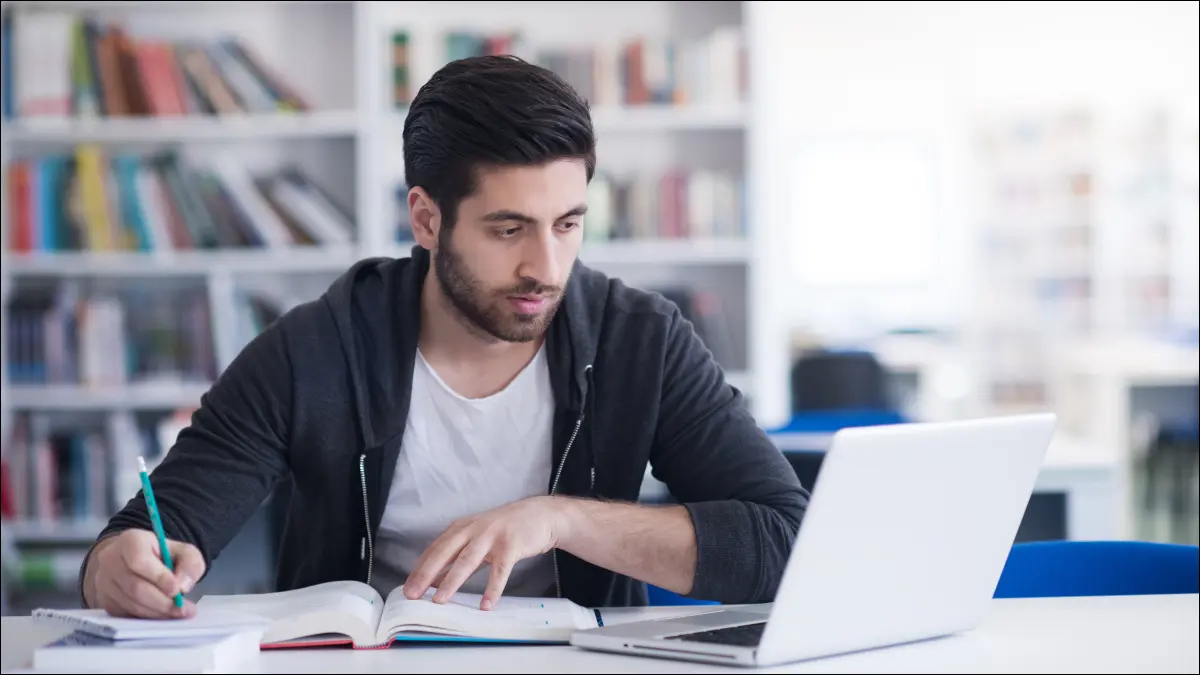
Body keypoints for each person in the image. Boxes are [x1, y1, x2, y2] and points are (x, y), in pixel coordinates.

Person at [80, 55, 810, 619]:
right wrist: (120, 565)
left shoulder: (640, 341)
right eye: (508, 229)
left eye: (567, 224)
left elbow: (783, 541)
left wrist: (558, 519)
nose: (546, 268)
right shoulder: (314, 349)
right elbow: (148, 530)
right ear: (426, 220)